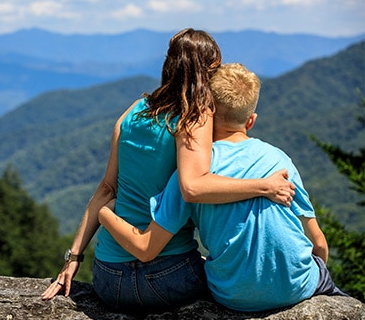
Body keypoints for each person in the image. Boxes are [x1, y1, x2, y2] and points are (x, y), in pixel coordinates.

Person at [41, 30, 295, 313]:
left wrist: (73, 255)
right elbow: (194, 187)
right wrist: (265, 187)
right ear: (205, 73)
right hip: (168, 277)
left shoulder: (133, 112)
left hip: (108, 279)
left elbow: (106, 190)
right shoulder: (194, 118)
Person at [98, 63, 347, 312]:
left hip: (231, 295)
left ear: (204, 114)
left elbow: (147, 246)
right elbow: (319, 244)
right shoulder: (280, 161)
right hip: (296, 288)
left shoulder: (190, 176)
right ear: (251, 121)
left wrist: (104, 213)